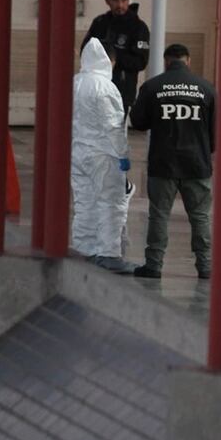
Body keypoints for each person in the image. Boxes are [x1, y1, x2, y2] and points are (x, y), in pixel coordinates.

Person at [130, 44, 216, 280]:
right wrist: (204, 150)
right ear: (188, 61)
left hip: (163, 163)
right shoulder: (207, 89)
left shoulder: (152, 87)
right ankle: (205, 266)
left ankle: (154, 265)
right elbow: (216, 131)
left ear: (166, 61)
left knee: (159, 215)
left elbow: (138, 122)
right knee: (200, 216)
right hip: (197, 164)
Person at [70, 38, 136, 272]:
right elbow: (113, 127)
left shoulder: (75, 83)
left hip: (77, 153)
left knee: (84, 202)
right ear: (110, 60)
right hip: (103, 155)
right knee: (111, 203)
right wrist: (123, 154)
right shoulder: (106, 87)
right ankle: (109, 254)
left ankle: (84, 249)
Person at [81, 0, 151, 115]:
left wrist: (112, 56)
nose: (120, 5)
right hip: (95, 89)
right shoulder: (100, 22)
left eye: (124, 0)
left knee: (114, 126)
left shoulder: (138, 27)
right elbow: (85, 50)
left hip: (121, 92)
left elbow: (140, 62)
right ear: (107, 0)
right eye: (115, 0)